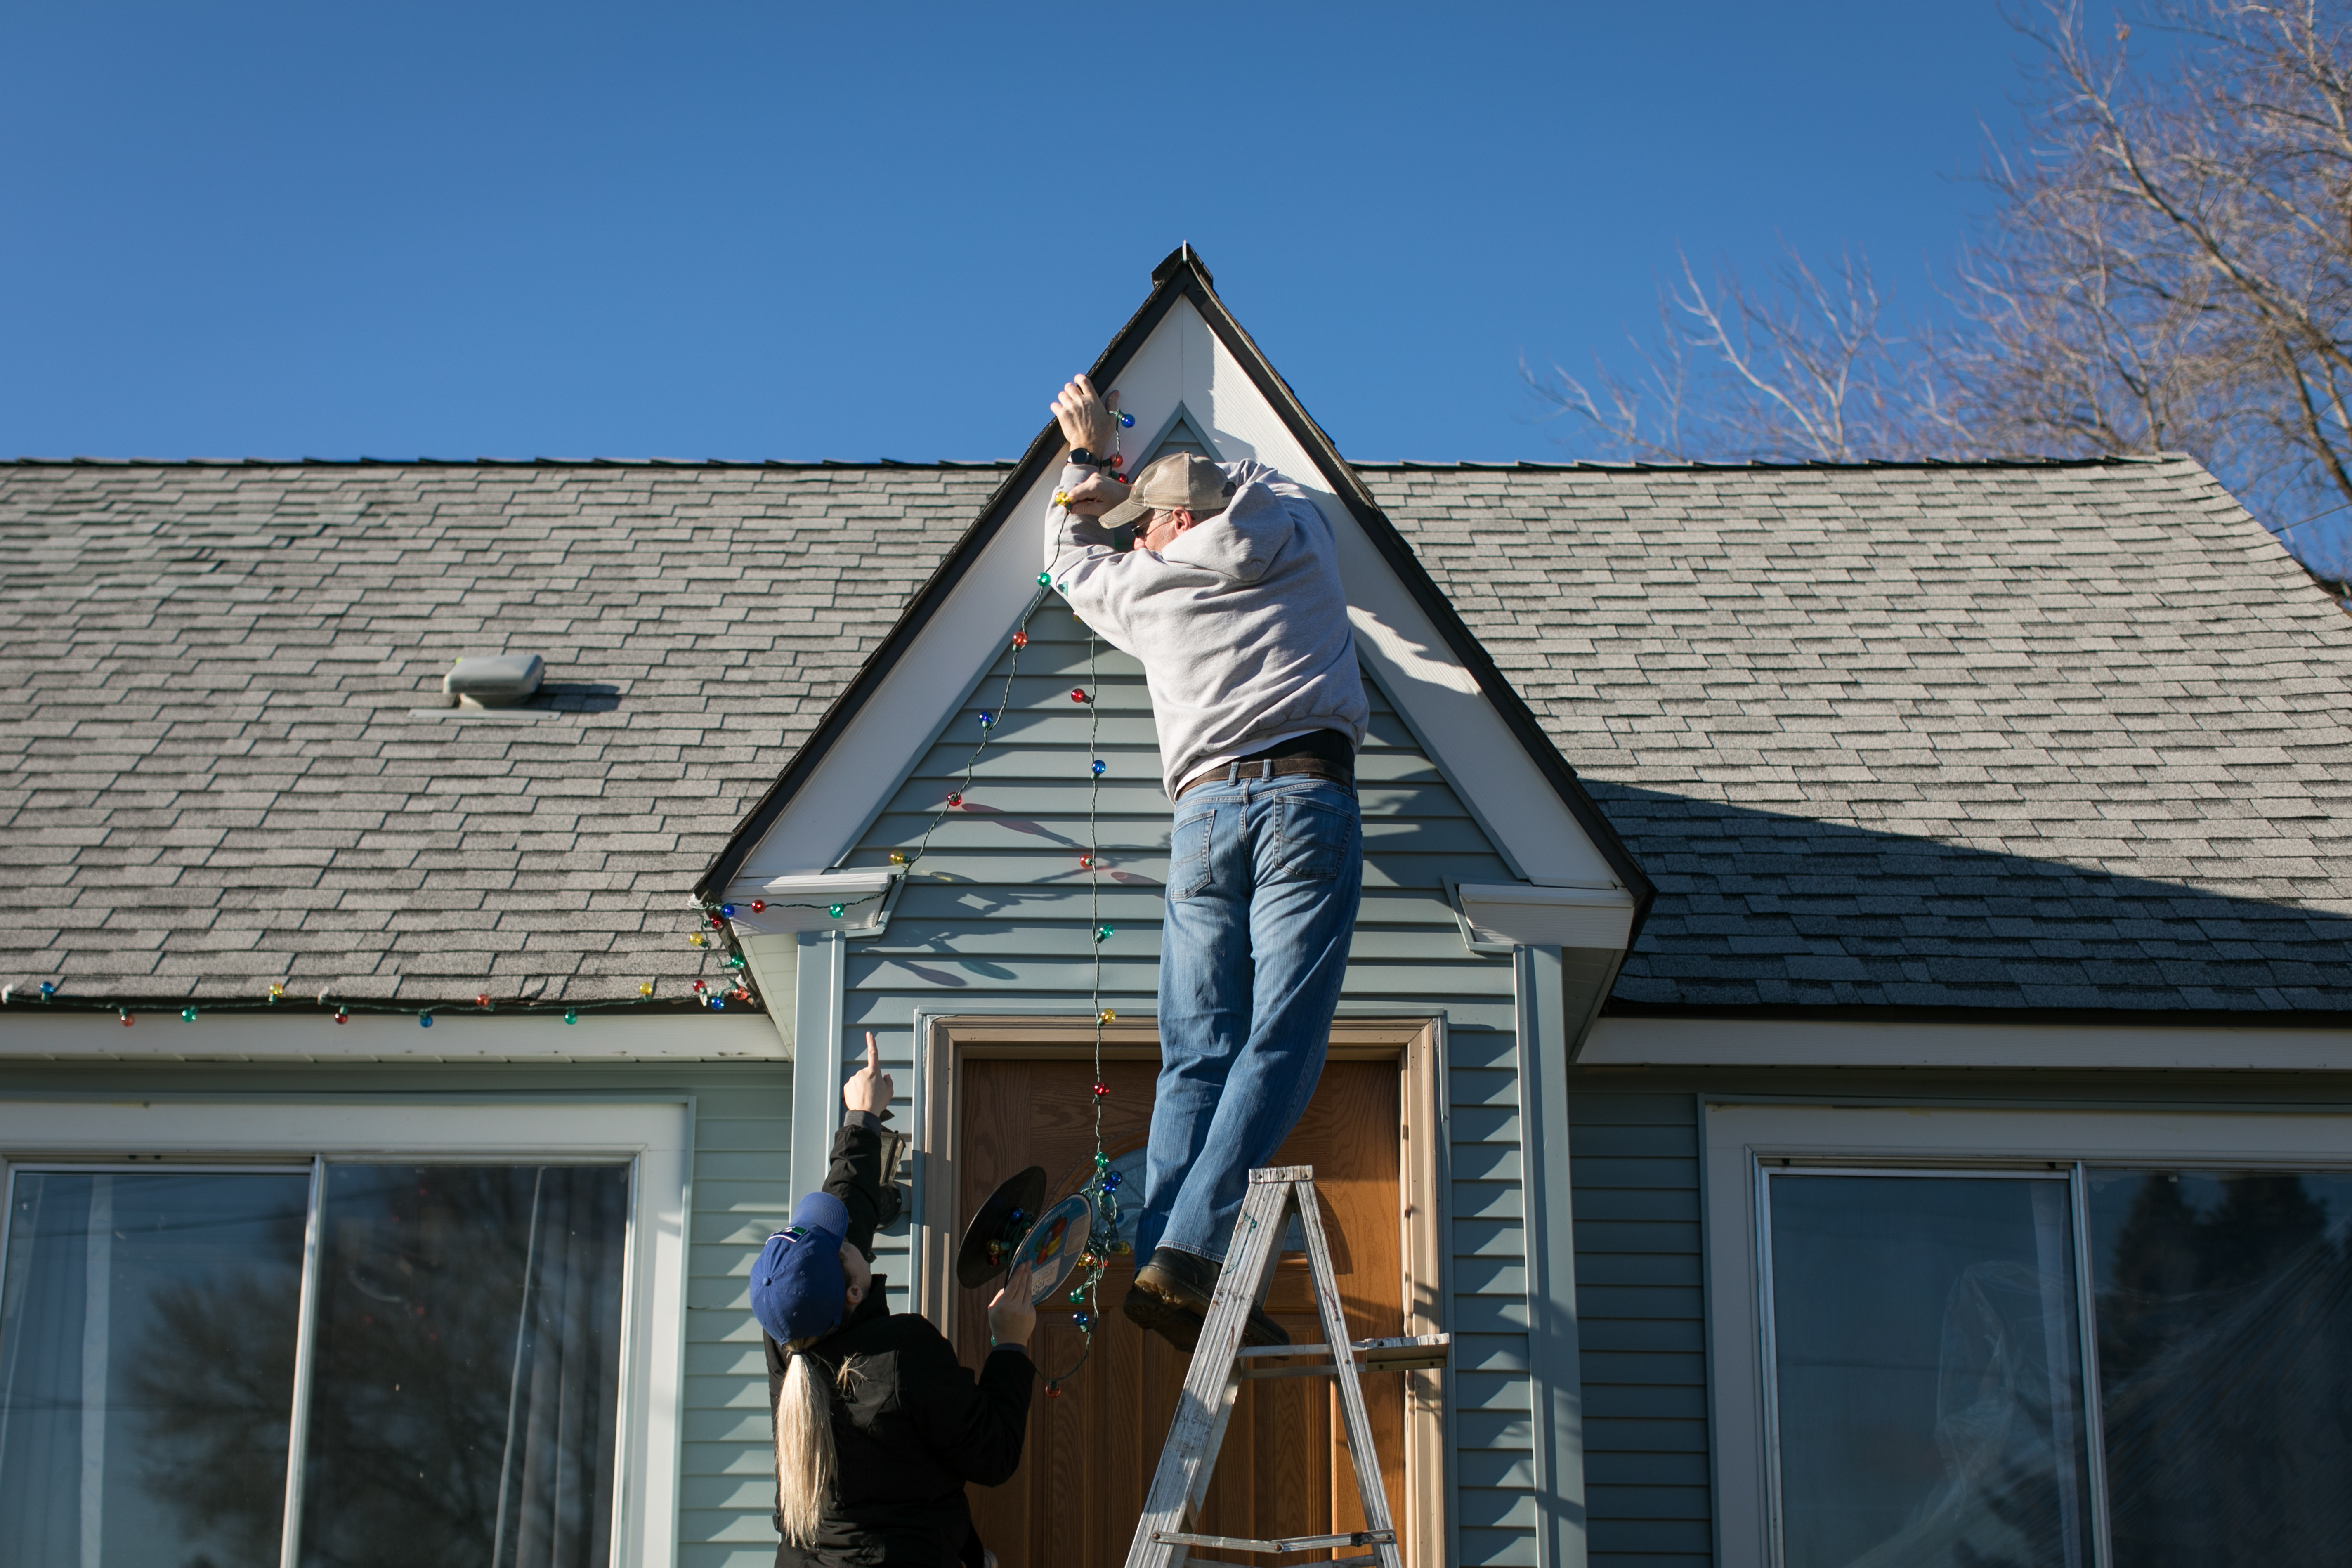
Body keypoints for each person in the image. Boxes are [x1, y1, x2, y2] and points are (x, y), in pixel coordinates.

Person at [1044, 374, 1368, 1353]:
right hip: (1307, 799)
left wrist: (1090, 465)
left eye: (1149, 522)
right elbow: (1259, 477)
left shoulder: (1148, 589)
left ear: (1180, 518)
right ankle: (1183, 1254)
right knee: (1282, 1036)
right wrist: (1149, 490)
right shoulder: (1300, 536)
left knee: (1199, 1048)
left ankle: (1162, 1251)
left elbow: (1064, 557)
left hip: (1204, 819)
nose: (1134, 535)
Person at [753, 1032, 1039, 1568]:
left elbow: (845, 1216)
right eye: (838, 1245)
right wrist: (1010, 1345)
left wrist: (862, 1119)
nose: (848, 1237)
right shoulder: (902, 1355)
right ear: (854, 1291)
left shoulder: (785, 1333)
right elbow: (993, 1453)